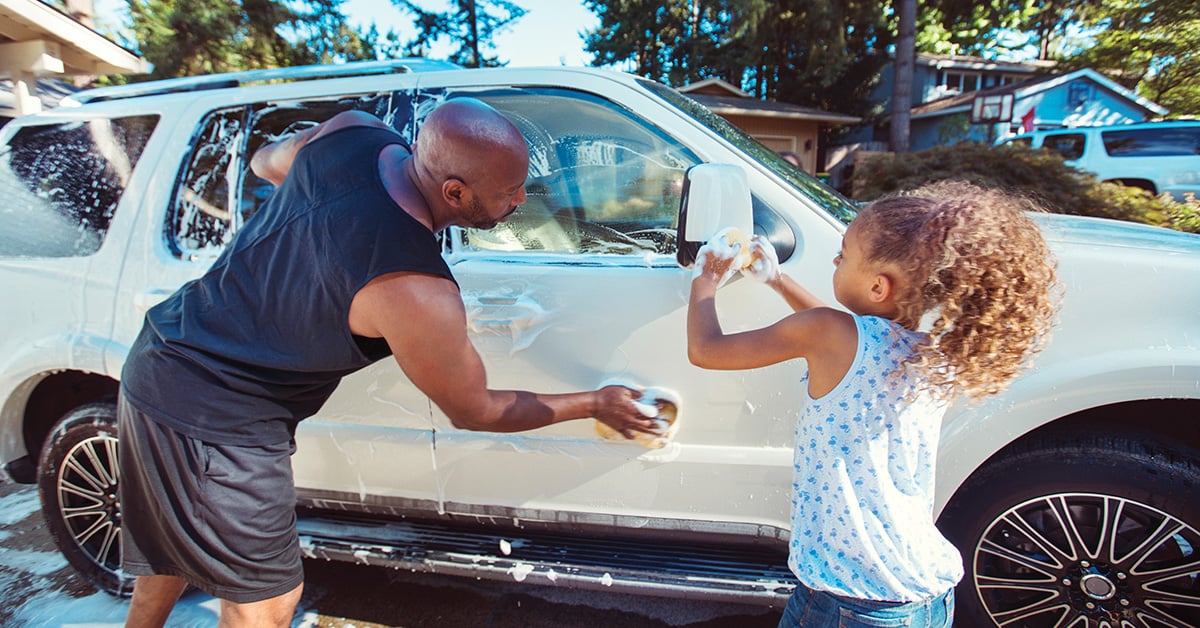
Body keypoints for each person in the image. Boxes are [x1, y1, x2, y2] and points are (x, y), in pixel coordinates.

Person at [118, 98, 659, 627]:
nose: (521, 200)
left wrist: (308, 198)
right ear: (454, 192)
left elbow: (267, 160)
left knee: (169, 559)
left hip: (159, 356)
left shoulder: (351, 132)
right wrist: (594, 402)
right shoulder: (414, 289)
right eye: (508, 192)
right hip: (216, 419)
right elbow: (477, 410)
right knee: (267, 602)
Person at [686, 181, 1058, 627]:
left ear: (879, 286)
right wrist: (778, 280)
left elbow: (706, 350)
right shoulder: (932, 355)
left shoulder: (830, 335)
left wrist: (705, 277)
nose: (834, 259)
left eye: (843, 255)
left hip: (852, 601)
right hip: (921, 594)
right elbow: (846, 329)